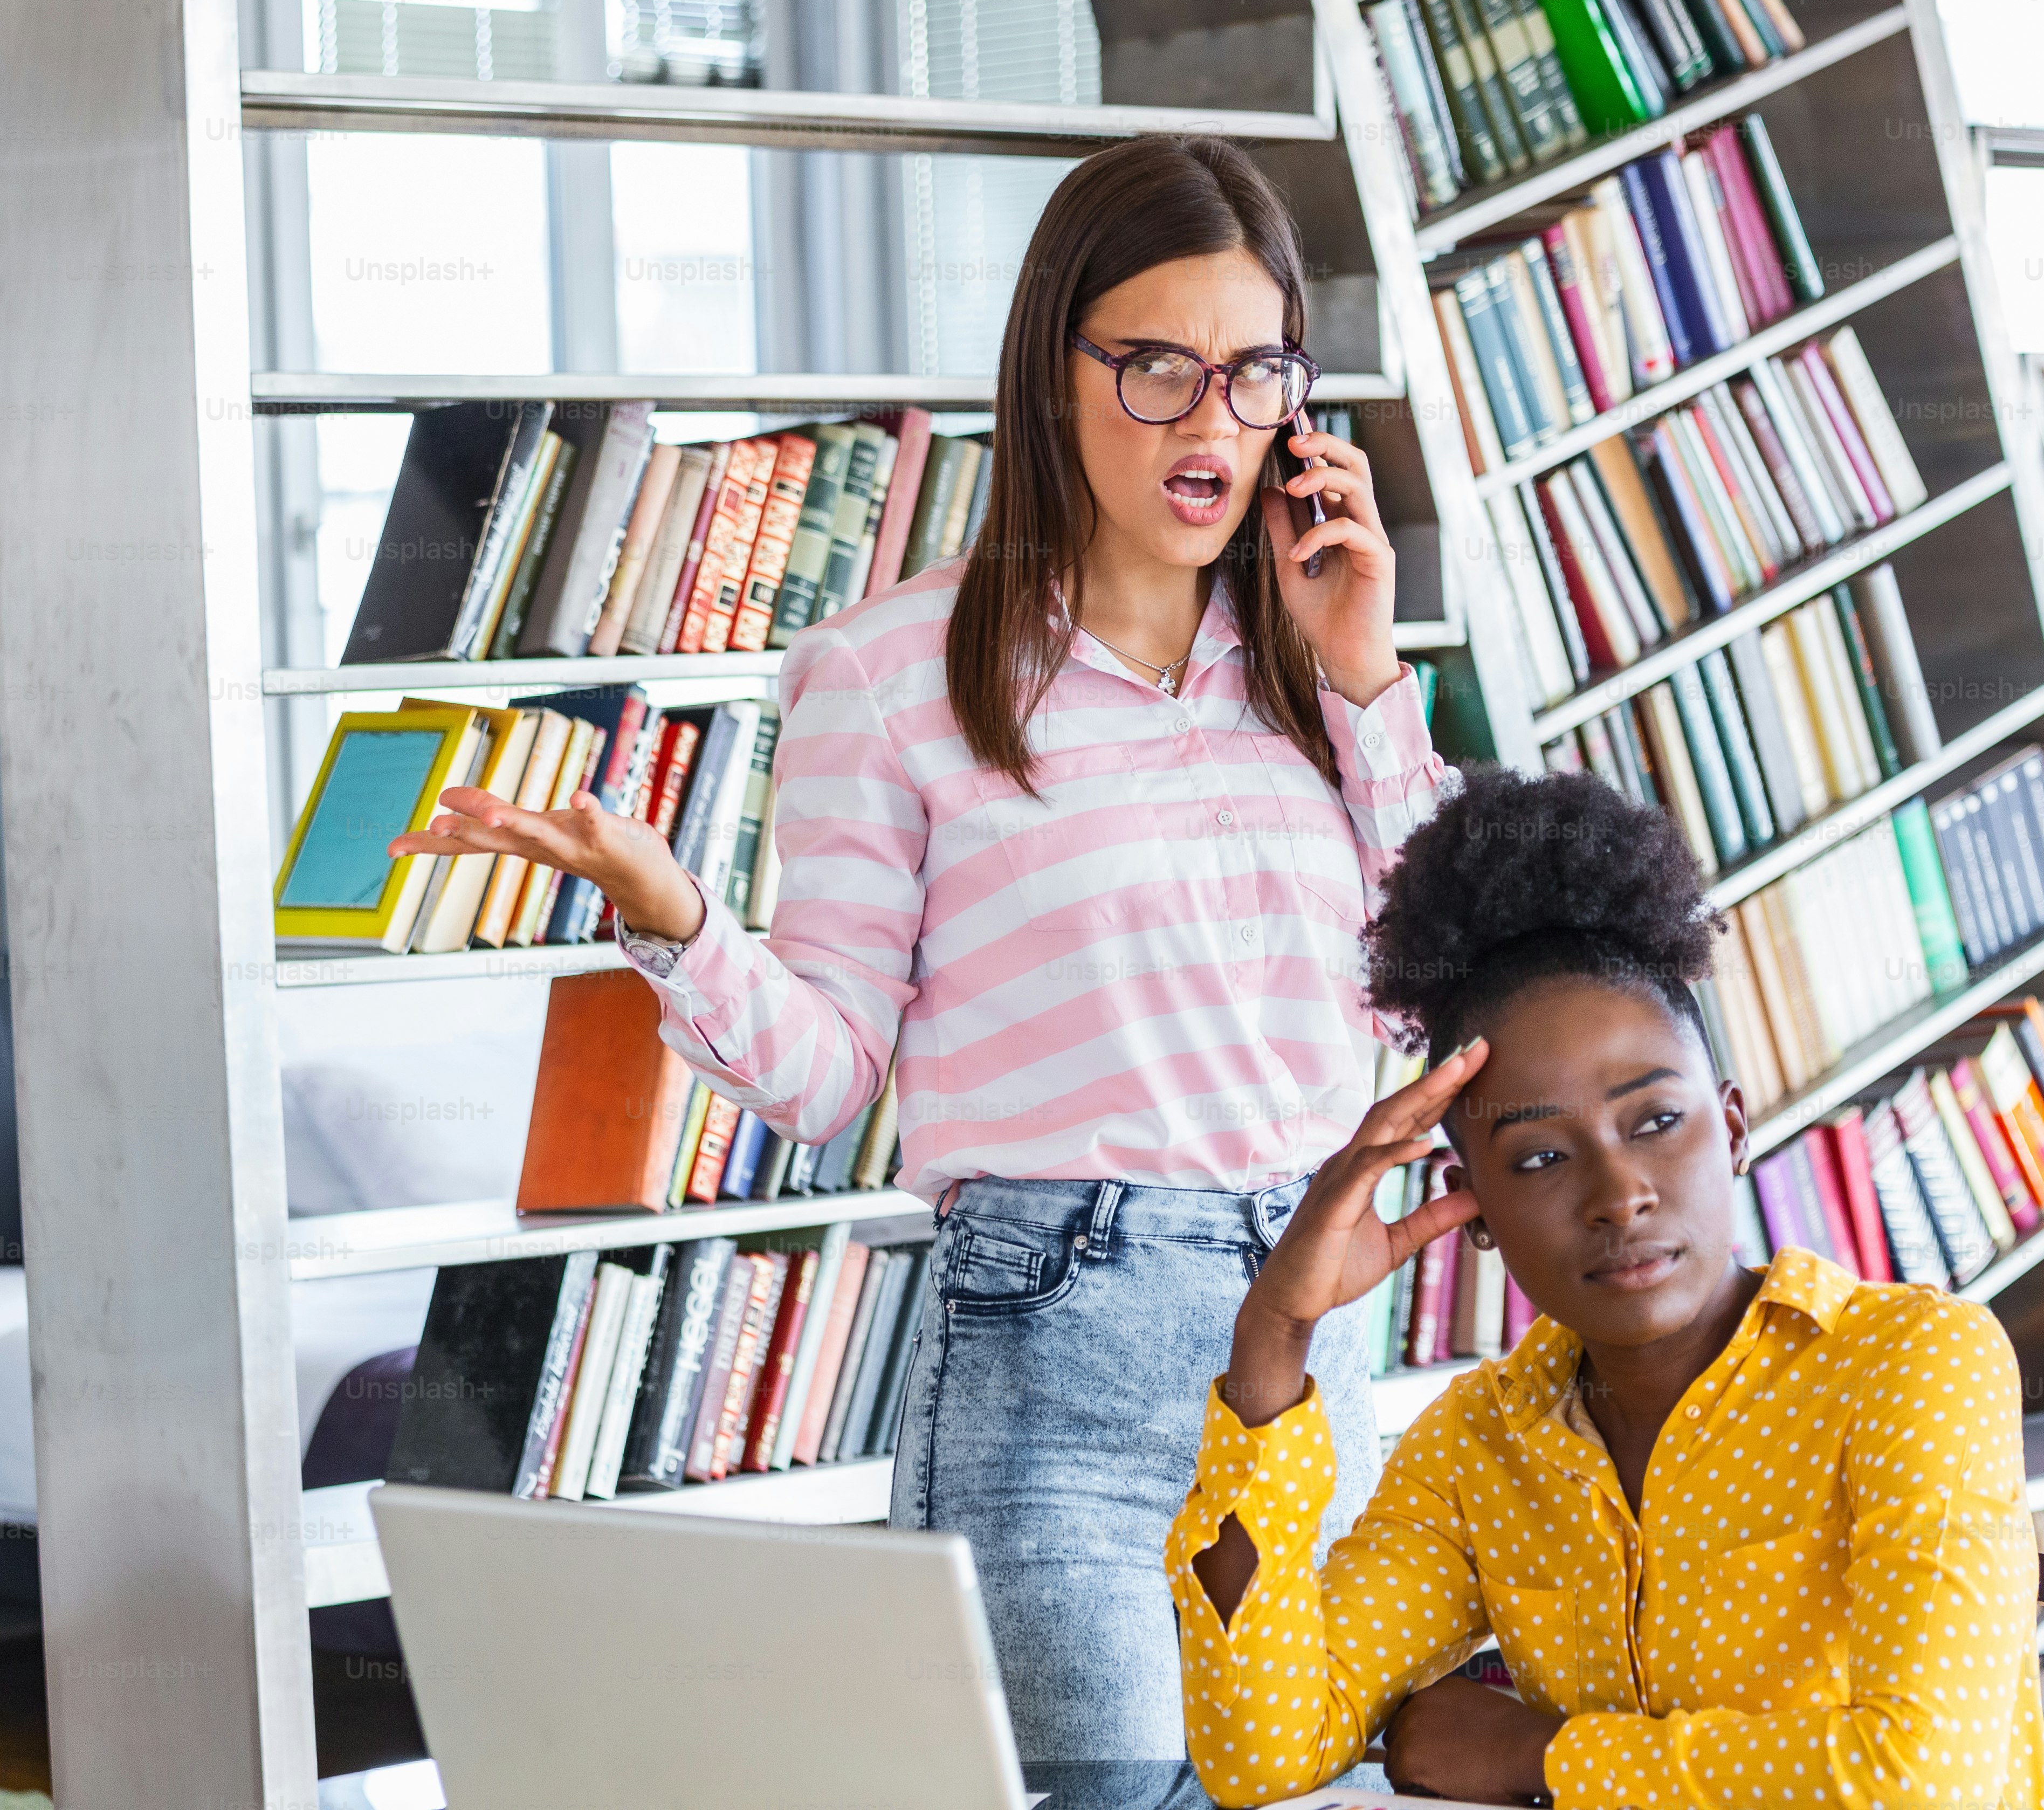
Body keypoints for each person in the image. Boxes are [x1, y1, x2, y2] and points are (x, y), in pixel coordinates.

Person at [388, 135, 1447, 1762]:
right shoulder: (887, 676)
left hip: (1310, 1368)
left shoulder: (1319, 668)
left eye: (1253, 376)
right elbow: (822, 1080)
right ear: (1053, 368)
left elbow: (1445, 971)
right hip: (1058, 1372)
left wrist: (1366, 669)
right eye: (1158, 368)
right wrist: (674, 919)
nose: (1213, 426)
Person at [1166, 768, 2044, 1809]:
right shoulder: (1479, 1446)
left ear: (1732, 1127)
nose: (1618, 1195)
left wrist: (1541, 1757)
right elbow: (1259, 1752)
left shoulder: (1913, 1364)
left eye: (1654, 1123)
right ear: (1475, 1210)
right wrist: (1277, 1328)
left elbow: (1920, 1784)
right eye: (1541, 1160)